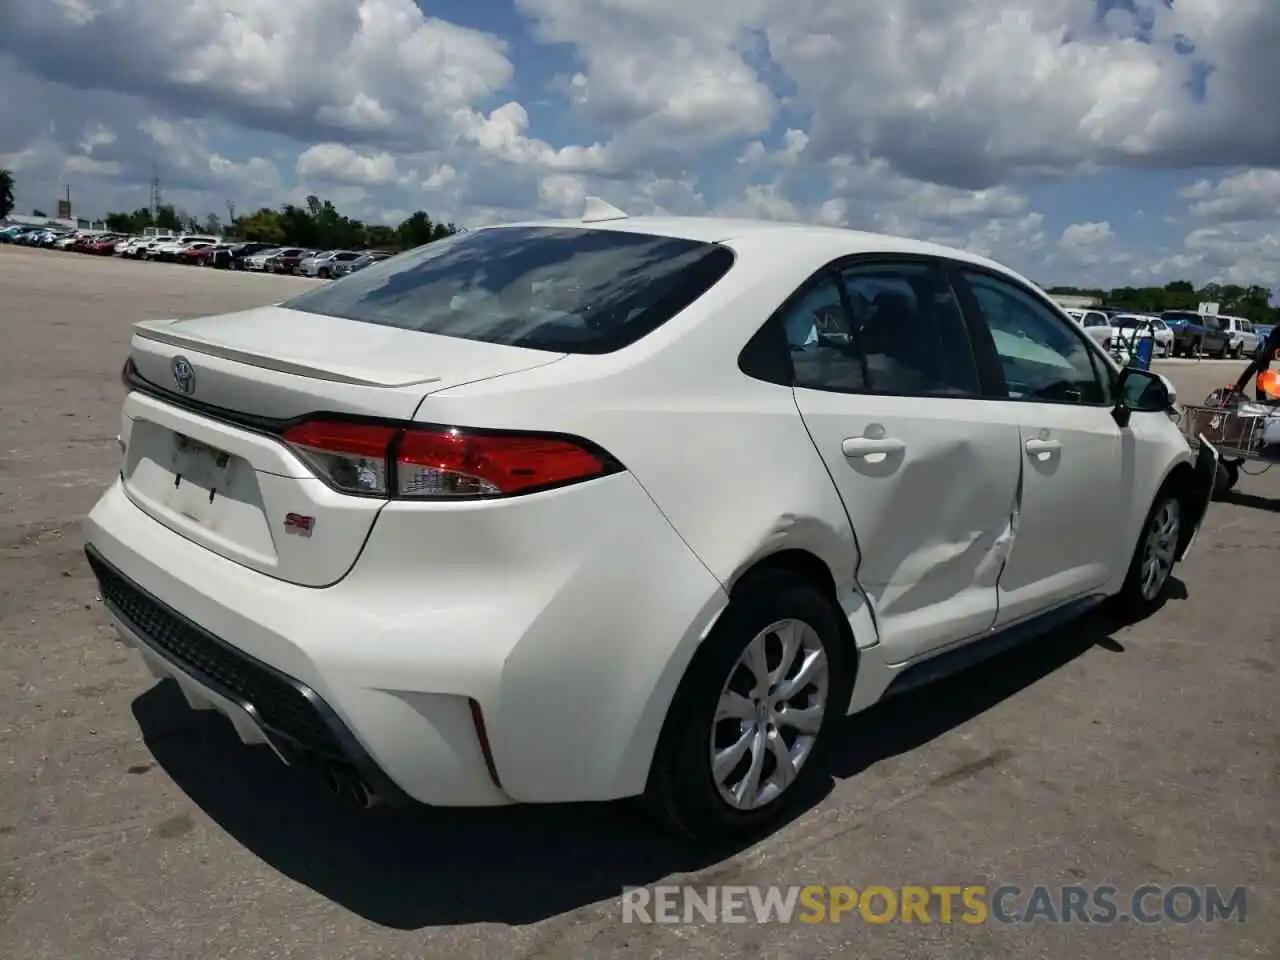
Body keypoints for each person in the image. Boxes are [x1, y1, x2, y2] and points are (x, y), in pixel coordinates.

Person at [1231, 321, 1280, 401]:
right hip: (1273, 340)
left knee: (1261, 368)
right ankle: (1239, 387)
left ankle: (1259, 396)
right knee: (1259, 365)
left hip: (1273, 341)